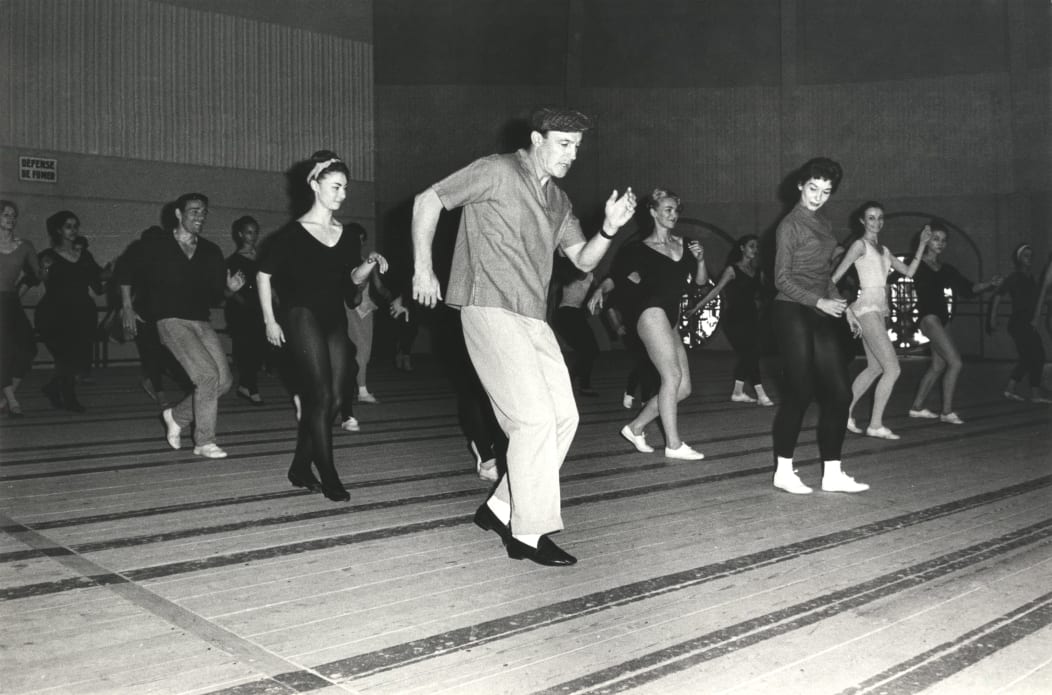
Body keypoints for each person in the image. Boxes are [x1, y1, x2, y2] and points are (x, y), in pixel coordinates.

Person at [412, 107, 636, 566]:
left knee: (563, 418)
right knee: (531, 420)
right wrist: (422, 267)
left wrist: (609, 229)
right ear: (537, 139)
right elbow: (428, 200)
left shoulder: (559, 200)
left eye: (577, 148)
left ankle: (499, 508)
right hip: (487, 303)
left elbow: (584, 260)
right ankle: (528, 534)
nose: (572, 155)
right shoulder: (495, 170)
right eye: (564, 144)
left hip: (533, 316)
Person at [257, 151, 387, 502]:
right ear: (315, 185)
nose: (342, 195)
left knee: (334, 397)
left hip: (332, 316)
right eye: (335, 186)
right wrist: (270, 320)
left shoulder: (343, 234)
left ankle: (300, 466)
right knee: (320, 395)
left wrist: (369, 263)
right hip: (301, 316)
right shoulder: (293, 233)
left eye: (345, 188)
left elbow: (350, 280)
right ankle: (327, 473)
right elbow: (263, 274)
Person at [118, 193, 244, 459]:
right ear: (178, 213)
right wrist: (127, 307)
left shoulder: (210, 251)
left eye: (204, 212)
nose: (200, 217)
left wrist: (230, 291)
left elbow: (215, 294)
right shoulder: (156, 244)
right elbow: (125, 269)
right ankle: (204, 441)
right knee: (206, 376)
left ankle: (176, 416)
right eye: (194, 211)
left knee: (223, 381)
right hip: (170, 320)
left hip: (200, 320)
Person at [770, 157, 869, 495]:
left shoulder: (824, 225)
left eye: (825, 192)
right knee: (800, 391)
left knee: (841, 393)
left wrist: (845, 307)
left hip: (821, 308)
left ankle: (832, 473)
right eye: (813, 189)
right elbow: (780, 279)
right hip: (791, 310)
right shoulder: (789, 226)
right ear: (800, 185)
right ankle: (783, 470)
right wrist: (820, 302)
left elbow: (825, 275)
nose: (817, 197)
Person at [597, 189, 708, 460]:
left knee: (683, 388)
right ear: (653, 212)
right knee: (671, 377)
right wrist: (601, 287)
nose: (673, 215)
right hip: (648, 312)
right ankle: (673, 444)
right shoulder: (637, 250)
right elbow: (617, 277)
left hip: (669, 318)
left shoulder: (685, 244)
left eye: (676, 210)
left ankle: (635, 427)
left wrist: (702, 259)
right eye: (667, 209)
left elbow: (702, 283)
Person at [830, 202, 932, 439]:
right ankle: (875, 424)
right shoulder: (859, 245)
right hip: (866, 309)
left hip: (878, 311)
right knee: (893, 368)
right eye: (871, 218)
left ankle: (842, 412)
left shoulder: (884, 251)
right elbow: (833, 279)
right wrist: (846, 310)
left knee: (875, 367)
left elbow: (909, 272)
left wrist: (922, 245)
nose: (876, 222)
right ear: (862, 222)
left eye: (879, 218)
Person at [907, 222, 1002, 424]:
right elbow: (891, 276)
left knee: (938, 365)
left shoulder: (946, 269)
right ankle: (947, 411)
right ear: (927, 239)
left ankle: (917, 407)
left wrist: (989, 284)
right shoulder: (916, 264)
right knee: (956, 362)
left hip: (942, 319)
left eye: (943, 240)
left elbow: (968, 289)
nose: (940, 243)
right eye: (935, 239)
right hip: (928, 318)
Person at [689, 234, 774, 407]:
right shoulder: (732, 270)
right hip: (734, 318)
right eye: (751, 246)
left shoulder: (758, 271)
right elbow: (716, 290)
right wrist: (697, 307)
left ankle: (738, 392)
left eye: (756, 247)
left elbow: (766, 294)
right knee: (751, 353)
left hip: (752, 317)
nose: (755, 250)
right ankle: (761, 394)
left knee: (752, 353)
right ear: (742, 248)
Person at [35, 211, 105, 412]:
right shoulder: (47, 255)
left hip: (82, 312)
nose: (73, 230)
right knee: (66, 356)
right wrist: (46, 269)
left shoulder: (85, 255)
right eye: (68, 226)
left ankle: (53, 388)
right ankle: (69, 396)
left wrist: (112, 273)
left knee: (77, 357)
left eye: (75, 226)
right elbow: (40, 279)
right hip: (54, 313)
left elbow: (98, 280)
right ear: (58, 229)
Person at [988, 243, 1051, 403]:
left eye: (1031, 255)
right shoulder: (1015, 277)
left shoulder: (1030, 279)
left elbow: (1037, 299)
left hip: (1027, 322)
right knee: (1037, 355)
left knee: (1027, 357)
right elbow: (998, 295)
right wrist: (992, 318)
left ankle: (1010, 389)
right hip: (1019, 323)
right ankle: (1035, 394)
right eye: (1026, 255)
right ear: (1018, 259)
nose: (1030, 258)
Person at [0, 200, 39, 417]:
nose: (11, 218)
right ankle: (12, 401)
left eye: (13, 215)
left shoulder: (24, 245)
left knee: (28, 347)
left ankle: (6, 397)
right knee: (2, 349)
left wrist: (18, 292)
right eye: (5, 214)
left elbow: (37, 274)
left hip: (10, 301)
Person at [342, 223, 388, 405]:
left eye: (362, 241)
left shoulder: (367, 262)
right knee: (358, 348)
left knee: (365, 352)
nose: (359, 244)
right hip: (349, 308)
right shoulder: (342, 262)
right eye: (356, 240)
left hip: (366, 310)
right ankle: (361, 390)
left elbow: (379, 286)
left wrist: (392, 297)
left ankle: (356, 386)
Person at [225, 216, 267, 405]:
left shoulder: (261, 258)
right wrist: (246, 304)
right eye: (249, 232)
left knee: (258, 349)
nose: (253, 236)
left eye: (255, 232)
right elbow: (229, 291)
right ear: (240, 234)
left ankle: (244, 386)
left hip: (259, 308)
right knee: (246, 349)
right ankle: (252, 388)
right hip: (241, 310)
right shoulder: (233, 260)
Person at [552, 259, 600, 397]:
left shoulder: (591, 276)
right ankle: (576, 383)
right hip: (564, 314)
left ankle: (575, 383)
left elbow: (592, 295)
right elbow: (554, 294)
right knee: (588, 351)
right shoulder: (568, 274)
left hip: (578, 314)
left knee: (592, 351)